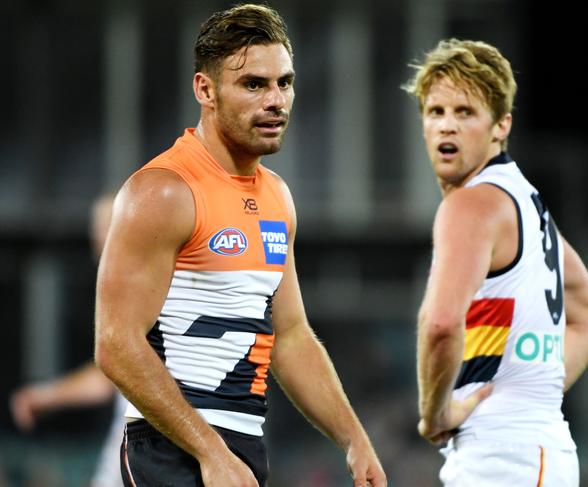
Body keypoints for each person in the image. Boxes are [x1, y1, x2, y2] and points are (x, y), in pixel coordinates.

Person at [94, 5, 386, 487]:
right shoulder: (163, 191)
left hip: (244, 446)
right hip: (170, 448)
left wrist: (354, 439)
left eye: (284, 83)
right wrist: (211, 452)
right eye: (254, 84)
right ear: (205, 90)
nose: (276, 100)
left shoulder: (277, 198)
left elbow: (290, 335)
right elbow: (115, 344)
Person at [404, 38, 588, 486]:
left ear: (501, 125)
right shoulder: (527, 206)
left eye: (465, 112)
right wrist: (532, 390)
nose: (447, 127)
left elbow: (440, 324)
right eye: (435, 111)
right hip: (529, 451)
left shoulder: (472, 205)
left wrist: (434, 413)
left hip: (504, 457)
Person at [10, 193, 126, 487]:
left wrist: (45, 396)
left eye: (107, 225)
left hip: (147, 441)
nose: (97, 237)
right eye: (96, 227)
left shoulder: (137, 287)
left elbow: (108, 375)